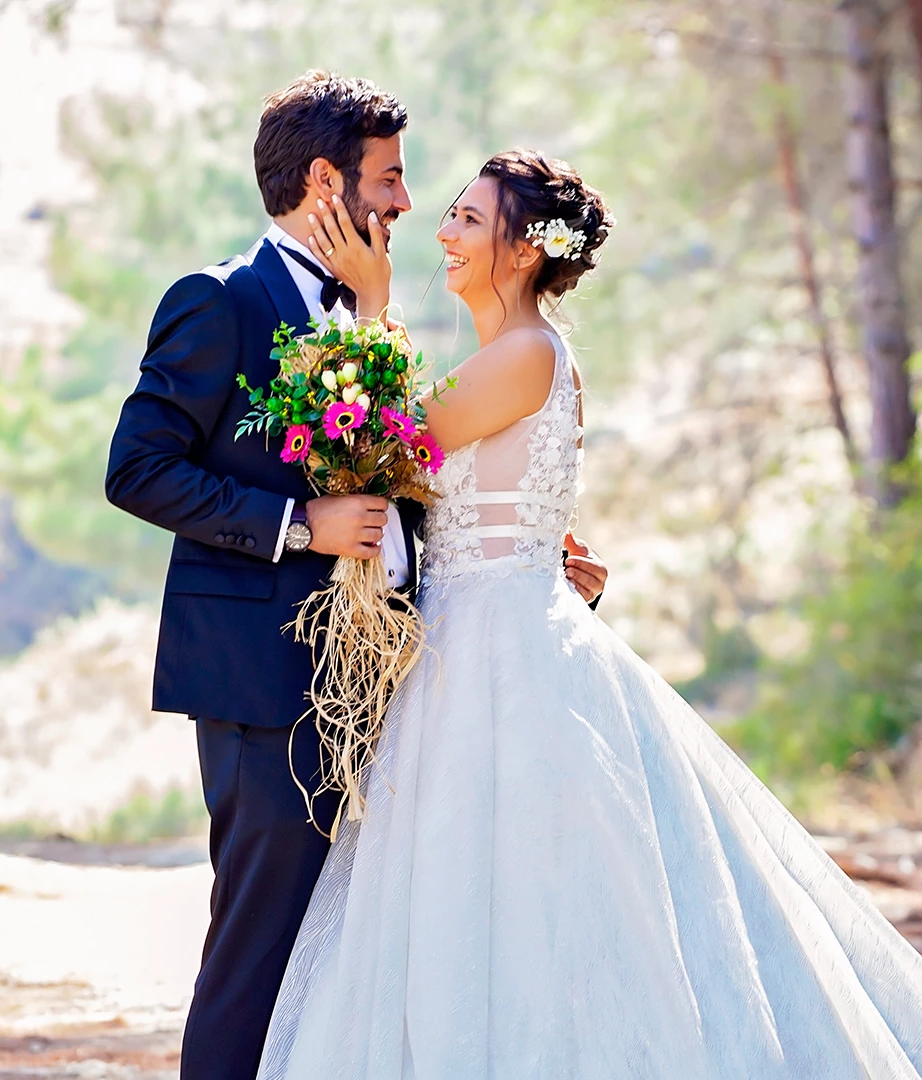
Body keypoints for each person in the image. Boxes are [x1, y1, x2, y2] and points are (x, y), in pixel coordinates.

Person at [253, 150, 922, 1079]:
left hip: (502, 651)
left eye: (467, 218)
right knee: (473, 892)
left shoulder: (524, 354)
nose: (444, 234)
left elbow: (385, 447)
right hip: (477, 634)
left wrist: (374, 303)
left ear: (523, 251)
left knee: (533, 895)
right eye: (451, 214)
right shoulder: (504, 356)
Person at [102, 74, 608, 1080]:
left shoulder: (388, 316)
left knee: (356, 965)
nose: (409, 206)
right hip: (267, 687)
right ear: (328, 182)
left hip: (403, 688)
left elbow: (413, 469)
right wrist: (298, 523)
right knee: (259, 956)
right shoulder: (221, 301)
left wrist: (533, 557)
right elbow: (138, 468)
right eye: (392, 178)